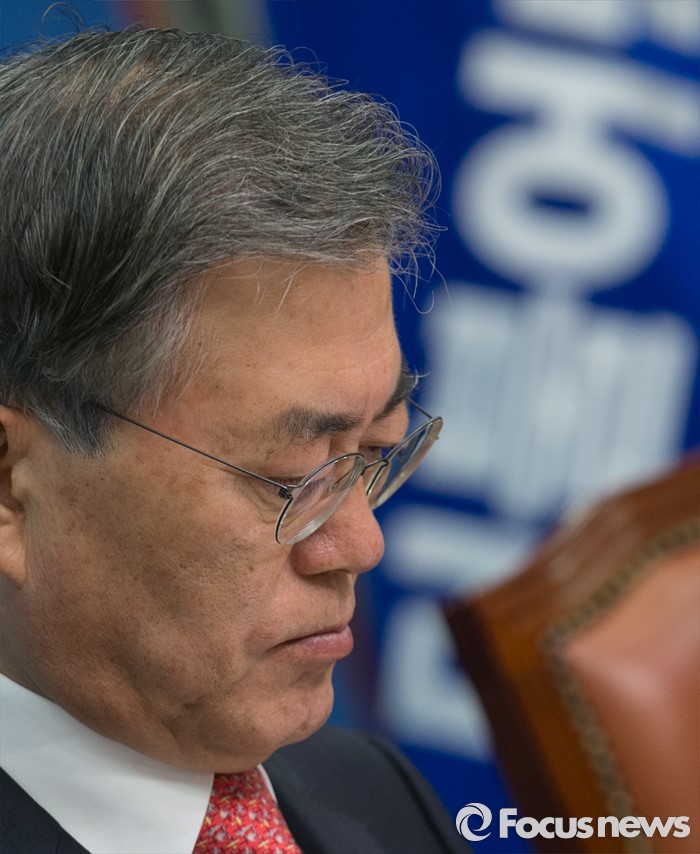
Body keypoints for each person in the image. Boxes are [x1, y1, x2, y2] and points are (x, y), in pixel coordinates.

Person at [0, 26, 465, 854]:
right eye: (294, 475)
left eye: (377, 451)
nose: (362, 544)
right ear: (10, 485)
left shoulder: (377, 797)